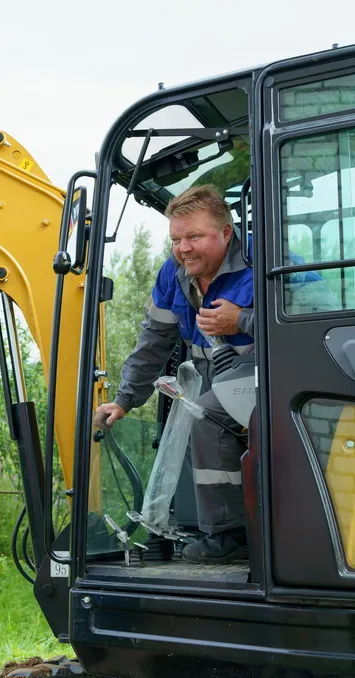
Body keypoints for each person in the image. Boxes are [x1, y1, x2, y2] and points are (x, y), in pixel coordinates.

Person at [94, 184, 253, 563]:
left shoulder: (266, 259)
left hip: (271, 373)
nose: (183, 248)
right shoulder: (175, 273)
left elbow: (315, 322)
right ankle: (196, 524)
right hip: (214, 373)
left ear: (226, 233)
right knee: (188, 416)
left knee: (207, 417)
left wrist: (242, 319)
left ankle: (230, 536)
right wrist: (125, 399)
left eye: (194, 236)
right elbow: (155, 338)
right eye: (176, 239)